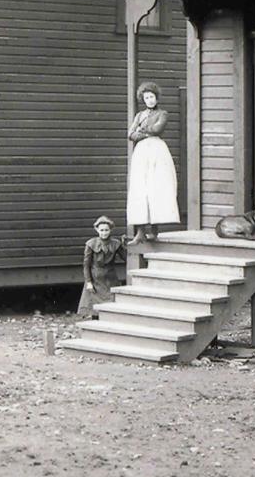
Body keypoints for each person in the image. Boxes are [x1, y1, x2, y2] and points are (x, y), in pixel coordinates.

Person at [126, 81, 180, 244]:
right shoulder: (139, 115)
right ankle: (140, 232)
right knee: (140, 188)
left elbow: (157, 129)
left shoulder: (163, 113)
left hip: (157, 151)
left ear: (157, 98)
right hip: (142, 152)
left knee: (157, 187)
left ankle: (154, 230)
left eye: (152, 97)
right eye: (146, 97)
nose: (149, 100)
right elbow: (130, 134)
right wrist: (142, 133)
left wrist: (141, 131)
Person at [77, 215, 125, 317]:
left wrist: (125, 245)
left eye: (106, 230)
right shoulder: (91, 244)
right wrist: (89, 282)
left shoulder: (116, 243)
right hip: (95, 278)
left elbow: (126, 258)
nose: (104, 233)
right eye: (102, 230)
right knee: (94, 308)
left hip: (110, 278)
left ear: (110, 230)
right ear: (97, 230)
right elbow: (86, 265)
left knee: (112, 303)